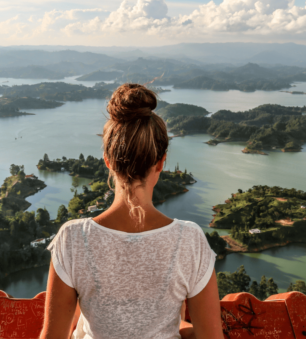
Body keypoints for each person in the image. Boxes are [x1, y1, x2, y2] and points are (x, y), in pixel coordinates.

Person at [40, 83, 223, 339]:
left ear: (107, 160)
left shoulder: (72, 238)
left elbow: (53, 336)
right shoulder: (189, 240)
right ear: (161, 162)